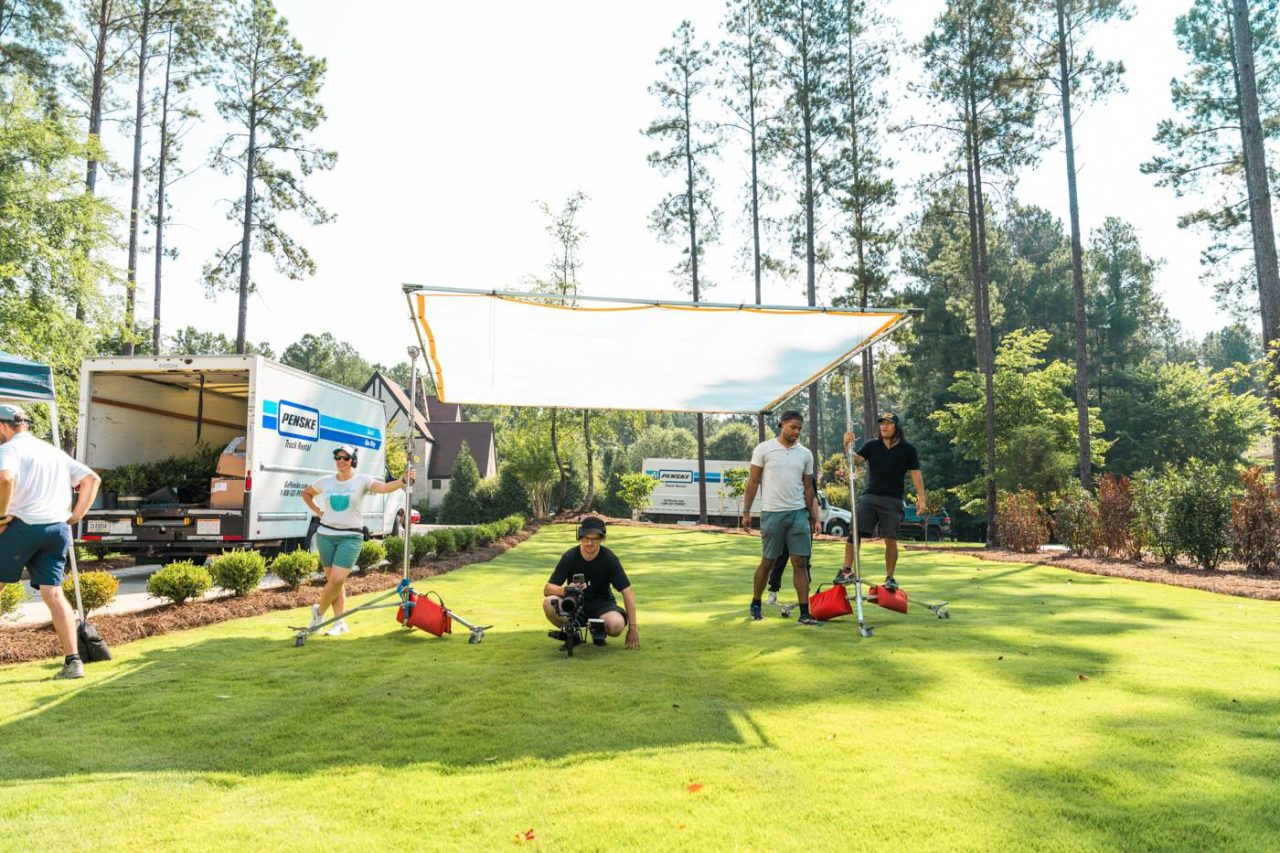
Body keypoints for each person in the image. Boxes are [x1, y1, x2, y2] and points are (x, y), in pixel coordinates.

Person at [0, 404, 101, 679]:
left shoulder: (9, 450)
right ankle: (73, 662)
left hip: (23, 527)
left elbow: (6, 478)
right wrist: (75, 515)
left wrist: (1, 516)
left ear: (3, 426)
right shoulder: (52, 451)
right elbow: (92, 479)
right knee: (53, 594)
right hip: (57, 529)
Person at [301, 444, 413, 635]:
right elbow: (307, 494)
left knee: (336, 579)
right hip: (326, 535)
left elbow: (384, 487)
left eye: (346, 458)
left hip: (351, 536)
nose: (341, 462)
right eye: (338, 458)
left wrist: (403, 480)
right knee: (335, 583)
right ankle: (339, 623)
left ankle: (318, 614)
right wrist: (318, 511)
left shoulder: (362, 480)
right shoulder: (326, 481)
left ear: (353, 461)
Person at [741, 410, 821, 625]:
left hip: (798, 514)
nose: (796, 432)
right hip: (772, 513)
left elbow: (808, 488)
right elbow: (753, 482)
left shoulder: (806, 454)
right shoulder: (764, 449)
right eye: (793, 427)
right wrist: (747, 512)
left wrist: (813, 516)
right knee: (768, 561)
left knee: (800, 562)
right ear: (782, 424)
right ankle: (756, 603)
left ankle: (805, 613)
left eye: (800, 429)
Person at [836, 411, 926, 592]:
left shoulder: (908, 450)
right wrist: (846, 446)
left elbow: (916, 474)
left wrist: (921, 499)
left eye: (888, 423)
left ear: (896, 427)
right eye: (882, 423)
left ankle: (890, 578)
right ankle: (846, 570)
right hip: (869, 497)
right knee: (855, 532)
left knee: (890, 539)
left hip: (892, 500)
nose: (884, 426)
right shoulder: (872, 446)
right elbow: (854, 462)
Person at [542, 516, 639, 649]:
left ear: (601, 539)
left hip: (603, 605)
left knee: (616, 625)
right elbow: (547, 589)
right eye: (586, 538)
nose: (589, 543)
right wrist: (567, 590)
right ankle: (572, 633)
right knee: (549, 603)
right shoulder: (570, 556)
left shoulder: (609, 558)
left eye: (594, 539)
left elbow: (627, 591)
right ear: (580, 537)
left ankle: (598, 630)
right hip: (575, 605)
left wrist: (633, 628)